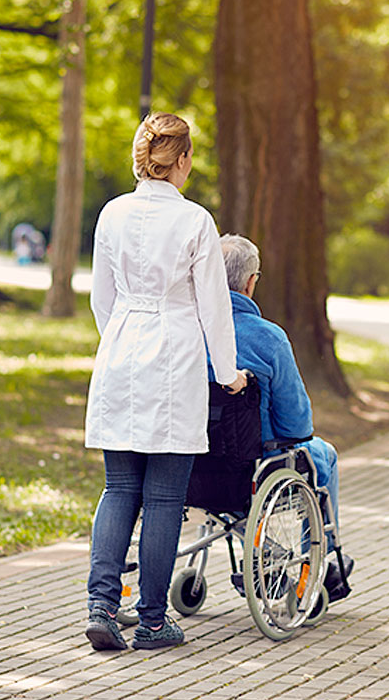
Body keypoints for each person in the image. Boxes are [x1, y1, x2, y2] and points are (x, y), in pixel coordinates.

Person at [82, 112, 246, 652]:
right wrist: (228, 374)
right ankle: (153, 621)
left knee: (119, 487)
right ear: (182, 161)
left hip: (120, 353)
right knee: (164, 496)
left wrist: (122, 339)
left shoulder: (111, 214)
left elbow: (101, 298)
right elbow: (214, 309)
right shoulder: (196, 221)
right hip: (173, 359)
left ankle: (102, 607)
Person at [215, 234, 354, 602]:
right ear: (250, 282)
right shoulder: (268, 338)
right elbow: (297, 425)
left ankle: (264, 549)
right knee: (324, 453)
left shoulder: (186, 331)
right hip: (256, 466)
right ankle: (324, 562)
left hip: (194, 464)